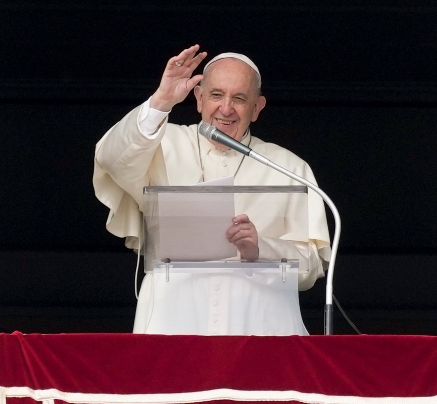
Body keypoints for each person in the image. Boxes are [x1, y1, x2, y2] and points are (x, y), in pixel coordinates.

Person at [94, 45, 331, 334]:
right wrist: (160, 102)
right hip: (173, 318)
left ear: (257, 108)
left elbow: (311, 267)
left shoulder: (289, 167)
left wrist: (261, 248)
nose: (226, 108)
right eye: (216, 95)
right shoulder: (160, 143)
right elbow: (112, 158)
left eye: (240, 98)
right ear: (199, 97)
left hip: (258, 322)